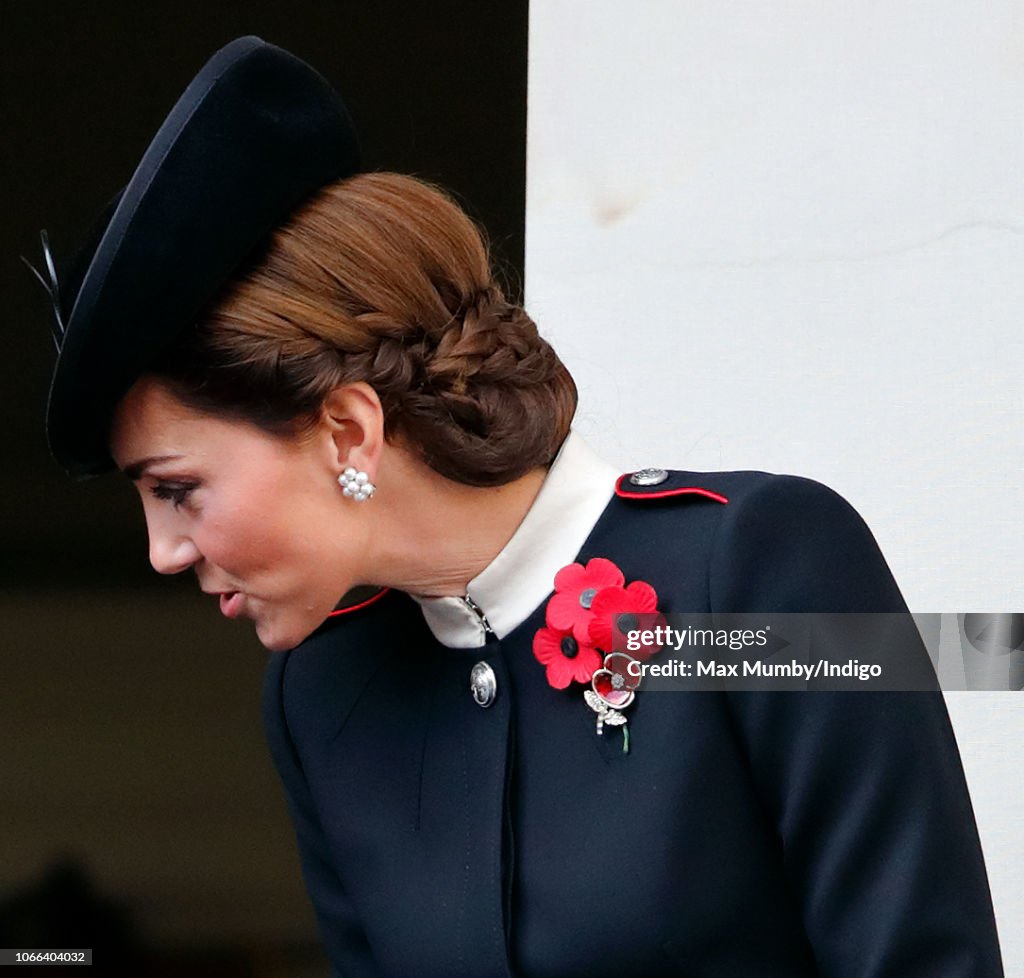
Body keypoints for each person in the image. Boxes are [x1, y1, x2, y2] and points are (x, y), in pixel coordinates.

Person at [32, 36, 1004, 977]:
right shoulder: (320, 696)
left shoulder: (757, 572)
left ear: (345, 433)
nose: (162, 551)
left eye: (177, 490)